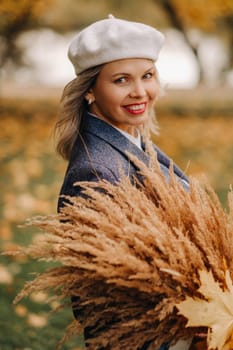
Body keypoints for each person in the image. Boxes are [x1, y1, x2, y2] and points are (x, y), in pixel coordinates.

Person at [55, 15, 191, 350]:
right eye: (121, 80)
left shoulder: (131, 140)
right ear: (90, 90)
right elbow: (101, 300)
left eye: (147, 76)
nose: (140, 91)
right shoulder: (98, 172)